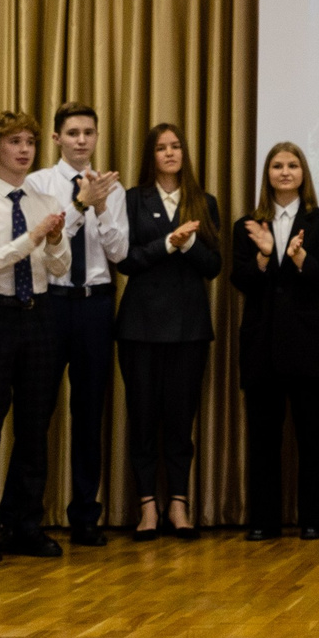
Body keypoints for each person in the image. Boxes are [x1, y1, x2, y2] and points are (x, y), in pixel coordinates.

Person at [0, 112, 70, 563]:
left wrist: (55, 241)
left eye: (29, 142)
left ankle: (24, 523)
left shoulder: (43, 201)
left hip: (40, 315)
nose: (24, 150)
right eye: (13, 142)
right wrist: (31, 240)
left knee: (34, 429)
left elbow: (58, 267)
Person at [28, 102, 127, 547]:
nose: (82, 140)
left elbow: (121, 253)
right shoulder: (39, 183)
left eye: (89, 132)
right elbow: (44, 242)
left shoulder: (112, 186)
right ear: (56, 139)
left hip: (95, 305)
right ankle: (29, 516)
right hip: (51, 303)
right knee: (38, 410)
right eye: (73, 133)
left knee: (89, 413)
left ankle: (86, 514)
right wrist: (80, 205)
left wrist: (102, 207)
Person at [118, 120, 222, 541]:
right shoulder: (132, 200)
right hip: (140, 327)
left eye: (176, 146)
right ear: (151, 155)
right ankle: (147, 506)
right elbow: (124, 260)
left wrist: (189, 244)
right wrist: (167, 244)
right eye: (161, 148)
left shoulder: (204, 201)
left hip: (189, 329)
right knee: (143, 418)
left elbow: (213, 267)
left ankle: (178, 504)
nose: (170, 153)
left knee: (181, 420)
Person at [232, 142, 319, 542]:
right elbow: (240, 281)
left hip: (308, 345)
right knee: (263, 438)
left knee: (312, 437)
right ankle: (264, 520)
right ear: (267, 174)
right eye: (277, 165)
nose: (285, 171)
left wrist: (296, 258)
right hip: (261, 345)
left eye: (293, 165)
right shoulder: (249, 223)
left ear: (303, 173)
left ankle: (313, 518)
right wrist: (262, 257)